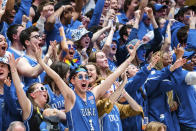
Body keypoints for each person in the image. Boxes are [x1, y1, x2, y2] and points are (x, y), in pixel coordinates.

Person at [33, 38, 140, 131]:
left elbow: (114, 75)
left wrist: (130, 58)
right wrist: (41, 62)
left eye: (86, 77)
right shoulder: (71, 96)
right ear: (72, 81)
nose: (84, 79)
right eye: (80, 77)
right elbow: (56, 78)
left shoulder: (92, 94)